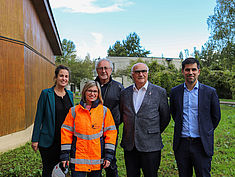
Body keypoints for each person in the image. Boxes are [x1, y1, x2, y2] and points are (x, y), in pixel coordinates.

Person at [170, 57, 221, 177]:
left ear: (199, 71)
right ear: (182, 71)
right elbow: (174, 113)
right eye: (187, 70)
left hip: (202, 144)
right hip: (182, 144)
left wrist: (205, 130)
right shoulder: (175, 92)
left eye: (194, 69)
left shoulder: (210, 92)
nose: (190, 73)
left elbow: (216, 117)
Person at [120, 63, 170, 177]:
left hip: (151, 145)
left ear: (148, 73)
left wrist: (153, 131)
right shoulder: (125, 93)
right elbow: (123, 113)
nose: (140, 74)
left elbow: (165, 117)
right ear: (132, 74)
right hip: (130, 145)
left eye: (143, 71)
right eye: (137, 72)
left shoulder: (159, 92)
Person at [60, 81, 117, 177]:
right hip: (78, 160)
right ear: (84, 92)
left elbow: (111, 134)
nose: (92, 94)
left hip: (96, 160)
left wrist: (109, 156)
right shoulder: (74, 111)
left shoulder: (104, 111)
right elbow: (66, 133)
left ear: (98, 93)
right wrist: (65, 155)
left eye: (95, 91)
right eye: (89, 90)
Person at [31, 65, 74, 177]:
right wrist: (35, 139)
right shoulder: (46, 94)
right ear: (56, 77)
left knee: (63, 170)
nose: (64, 78)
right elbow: (38, 117)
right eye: (61, 76)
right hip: (49, 141)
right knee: (48, 170)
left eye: (66, 76)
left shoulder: (70, 95)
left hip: (65, 141)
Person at [95, 58, 124, 177]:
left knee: (110, 157)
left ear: (111, 70)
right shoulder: (92, 85)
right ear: (97, 70)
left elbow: (124, 108)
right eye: (101, 68)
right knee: (95, 157)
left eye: (106, 68)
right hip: (93, 129)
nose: (103, 71)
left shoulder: (118, 87)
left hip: (111, 129)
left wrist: (116, 121)